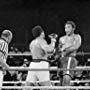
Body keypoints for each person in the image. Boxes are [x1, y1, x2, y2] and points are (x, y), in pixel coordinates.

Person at [56, 21, 81, 89]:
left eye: (69, 27)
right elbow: (59, 50)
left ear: (73, 28)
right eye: (65, 28)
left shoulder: (77, 37)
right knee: (61, 82)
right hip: (61, 60)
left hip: (70, 58)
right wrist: (56, 54)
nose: (67, 29)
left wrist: (65, 49)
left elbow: (76, 46)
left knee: (66, 79)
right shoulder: (61, 38)